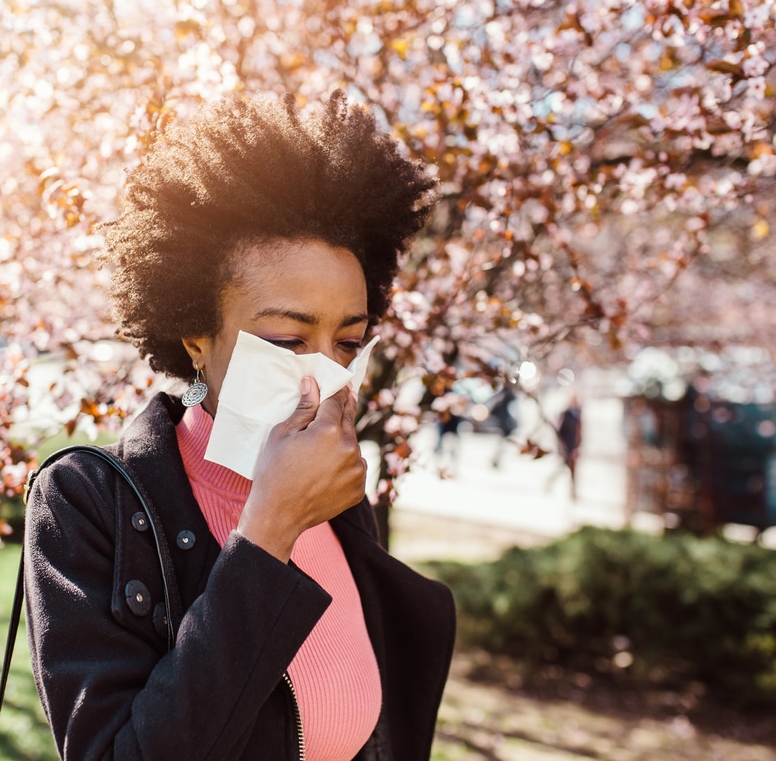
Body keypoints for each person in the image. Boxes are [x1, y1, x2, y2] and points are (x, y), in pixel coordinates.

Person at [23, 91, 457, 760]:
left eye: (348, 342)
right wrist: (269, 530)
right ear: (196, 335)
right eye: (287, 341)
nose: (324, 375)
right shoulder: (85, 501)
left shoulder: (338, 499)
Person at [549, 394, 582, 500]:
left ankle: (573, 492)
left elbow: (579, 433)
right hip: (566, 447)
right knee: (561, 468)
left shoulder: (578, 416)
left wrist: (578, 447)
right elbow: (560, 432)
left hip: (573, 448)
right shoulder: (566, 415)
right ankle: (550, 482)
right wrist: (562, 447)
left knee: (572, 471)